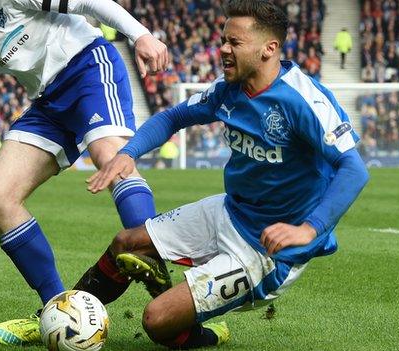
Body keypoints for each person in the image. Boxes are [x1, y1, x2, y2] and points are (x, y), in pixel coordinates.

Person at [76, 0, 366, 348]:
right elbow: (172, 118)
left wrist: (309, 228)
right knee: (126, 242)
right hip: (229, 211)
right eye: (223, 39)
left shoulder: (304, 100)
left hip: (265, 249)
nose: (223, 49)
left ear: (268, 49)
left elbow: (353, 168)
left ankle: (204, 333)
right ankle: (58, 314)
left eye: (234, 42)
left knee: (157, 321)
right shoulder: (228, 88)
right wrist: (128, 153)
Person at [0, 0, 171, 345]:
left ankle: (170, 296)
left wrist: (140, 35)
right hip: (46, 100)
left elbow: (88, 2)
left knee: (109, 158)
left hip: (87, 66)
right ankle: (59, 310)